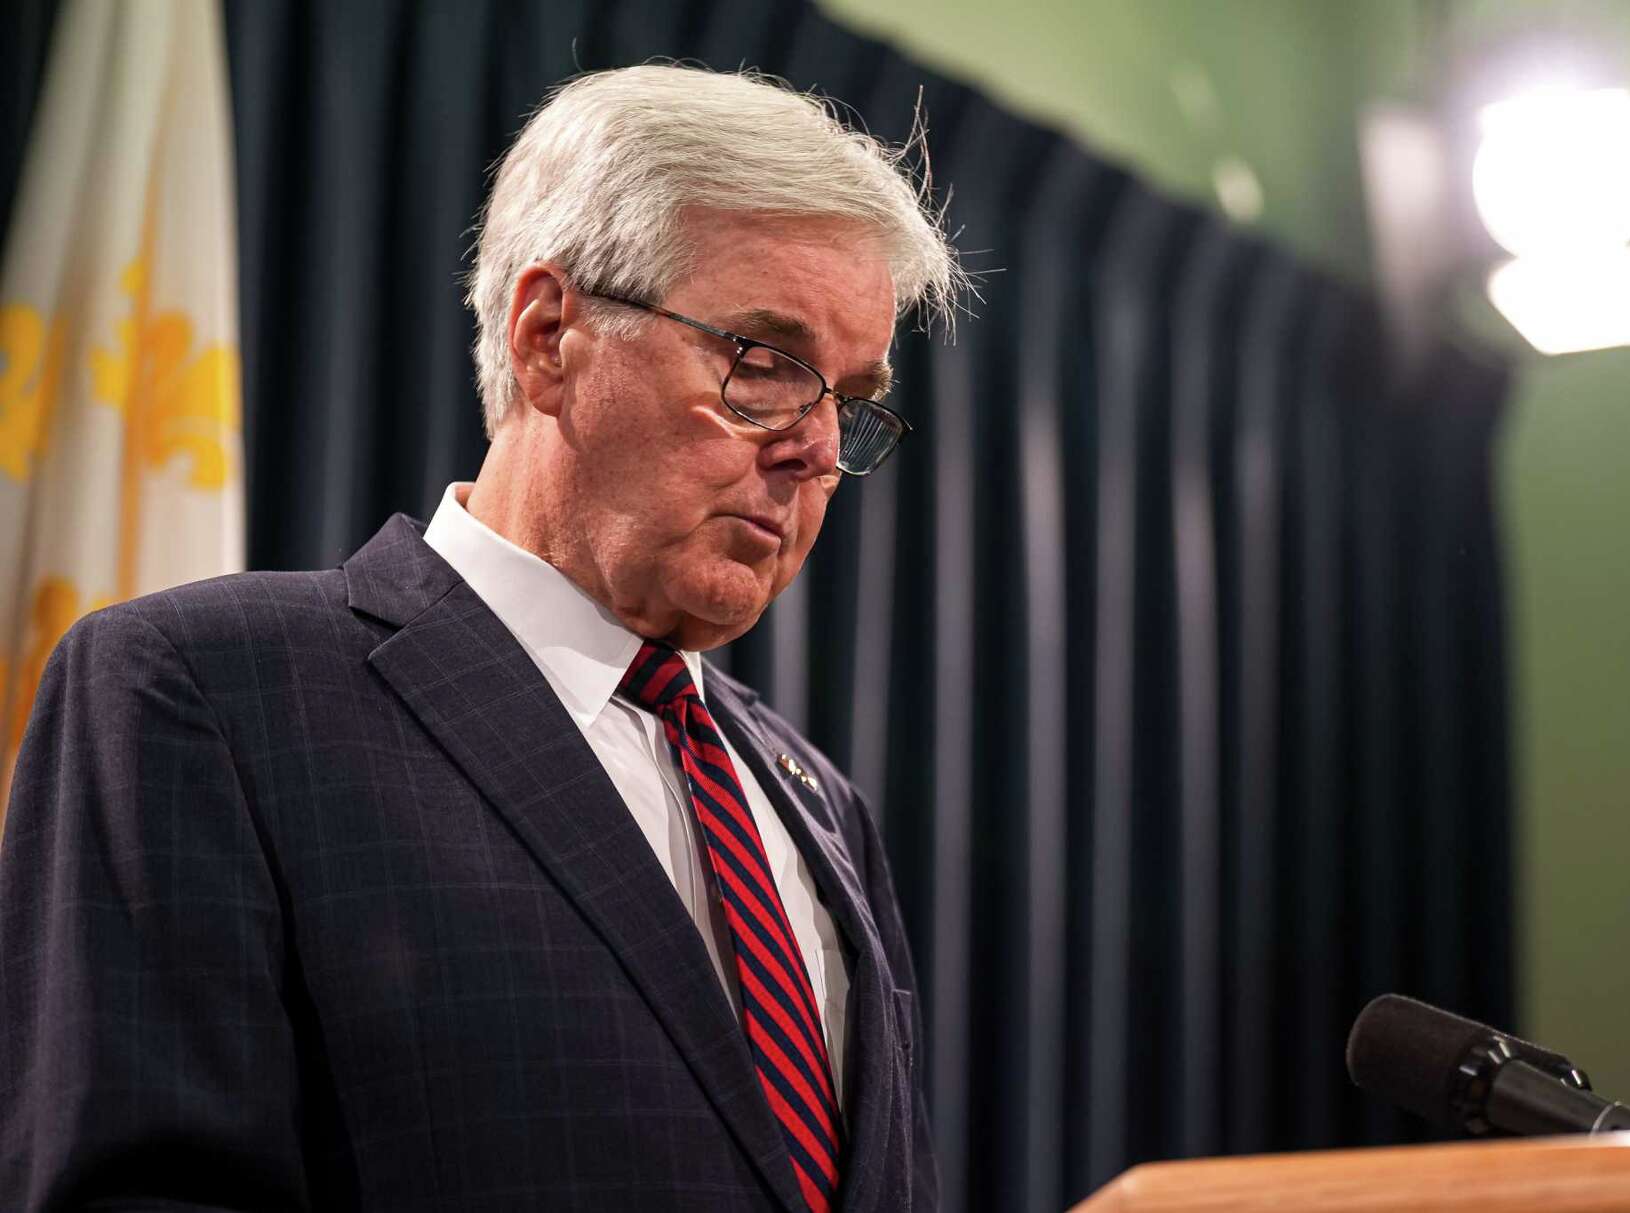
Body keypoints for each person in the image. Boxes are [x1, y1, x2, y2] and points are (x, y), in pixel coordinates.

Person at [0, 64, 960, 1213]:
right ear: (550, 335)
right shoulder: (206, 691)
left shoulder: (818, 804)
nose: (813, 449)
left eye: (846, 400)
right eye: (761, 363)